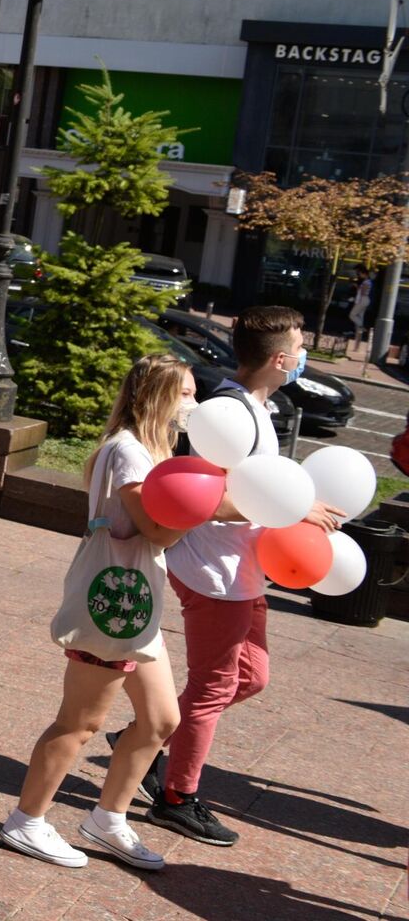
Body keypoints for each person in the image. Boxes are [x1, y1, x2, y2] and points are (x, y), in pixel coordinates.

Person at [142, 305, 343, 847]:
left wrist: (295, 502)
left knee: (251, 677)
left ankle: (145, 737)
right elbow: (205, 500)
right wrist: (292, 509)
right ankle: (176, 797)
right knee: (213, 687)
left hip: (243, 568)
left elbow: (260, 485)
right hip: (214, 572)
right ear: (281, 359)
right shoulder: (229, 414)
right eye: (300, 347)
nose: (304, 355)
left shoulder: (255, 408)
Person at [0, 353, 194, 871]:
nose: (192, 407)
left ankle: (107, 819)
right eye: (187, 395)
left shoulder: (145, 451)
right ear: (161, 398)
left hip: (134, 605)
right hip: (114, 605)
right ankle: (27, 821)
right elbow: (155, 530)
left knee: (159, 720)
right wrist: (210, 506)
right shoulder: (129, 453)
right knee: (81, 722)